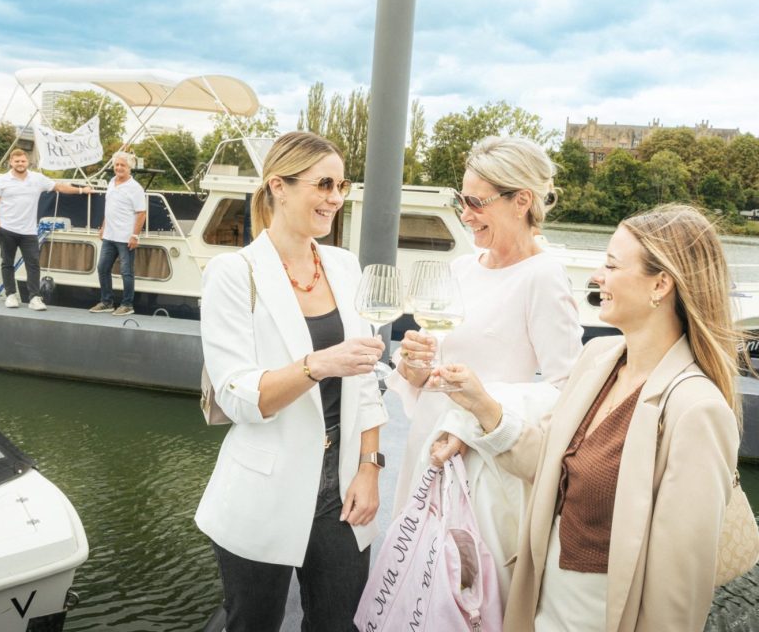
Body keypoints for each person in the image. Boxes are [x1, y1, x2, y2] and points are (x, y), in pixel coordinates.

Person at [431, 203, 743, 632]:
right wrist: (479, 406)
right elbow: (551, 465)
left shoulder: (696, 409)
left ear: (661, 285)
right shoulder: (598, 359)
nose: (598, 277)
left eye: (612, 266)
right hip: (541, 604)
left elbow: (678, 592)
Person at [195, 131, 388, 632]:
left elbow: (365, 380)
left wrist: (369, 468)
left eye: (342, 185)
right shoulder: (233, 273)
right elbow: (240, 396)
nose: (336, 198)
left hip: (342, 489)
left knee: (337, 624)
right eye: (324, 184)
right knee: (252, 623)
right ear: (278, 186)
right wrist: (317, 364)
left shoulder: (345, 267)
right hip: (263, 489)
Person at [387, 135, 584, 603]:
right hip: (429, 447)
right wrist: (415, 366)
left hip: (484, 462)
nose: (465, 214)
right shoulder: (460, 269)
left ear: (522, 201)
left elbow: (568, 390)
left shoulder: (544, 276)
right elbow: (438, 367)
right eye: (461, 200)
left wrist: (481, 407)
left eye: (476, 202)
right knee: (416, 584)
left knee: (463, 595)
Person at [0, 147, 92, 311]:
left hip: (29, 231)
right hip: (7, 229)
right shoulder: (1, 181)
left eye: (23, 161)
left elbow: (59, 187)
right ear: (11, 162)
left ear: (27, 162)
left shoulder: (37, 179)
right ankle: (10, 295)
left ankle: (34, 298)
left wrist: (81, 190)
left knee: (33, 264)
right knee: (7, 263)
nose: (20, 163)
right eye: (17, 161)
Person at [89, 151, 146, 316]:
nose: (119, 168)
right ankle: (106, 302)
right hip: (109, 235)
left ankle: (127, 304)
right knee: (102, 268)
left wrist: (135, 236)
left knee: (126, 272)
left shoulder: (135, 188)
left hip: (125, 237)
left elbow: (141, 213)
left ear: (130, 168)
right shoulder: (112, 182)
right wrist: (103, 226)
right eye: (117, 165)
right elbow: (110, 208)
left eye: (123, 165)